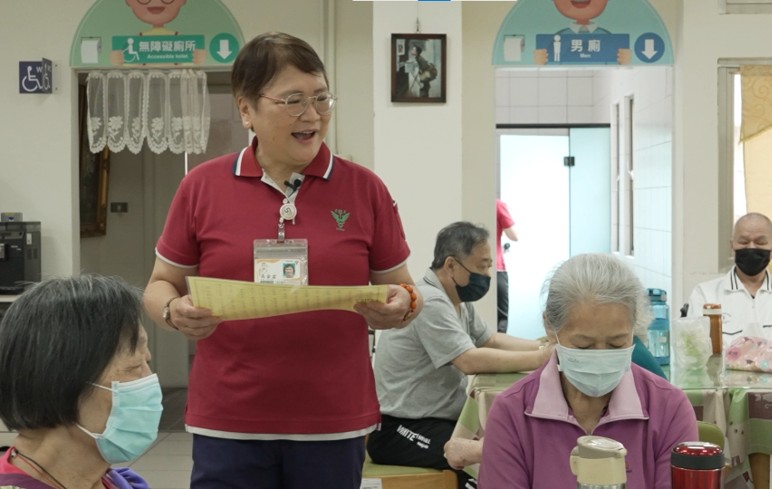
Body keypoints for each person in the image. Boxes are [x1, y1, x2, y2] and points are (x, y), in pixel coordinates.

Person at [141, 32, 422, 489]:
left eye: (321, 98)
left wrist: (402, 305)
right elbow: (158, 285)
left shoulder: (364, 188)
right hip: (229, 419)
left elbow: (406, 288)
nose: (312, 115)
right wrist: (174, 311)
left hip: (332, 419)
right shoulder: (201, 186)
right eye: (293, 101)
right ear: (246, 109)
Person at [478, 254, 698, 489]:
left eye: (616, 344)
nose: (601, 357)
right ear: (550, 328)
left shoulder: (668, 408)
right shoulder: (513, 413)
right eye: (584, 345)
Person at [367, 222, 550, 488]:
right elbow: (468, 360)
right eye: (482, 266)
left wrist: (543, 345)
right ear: (451, 265)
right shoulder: (430, 300)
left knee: (505, 444)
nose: (487, 275)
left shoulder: (455, 300)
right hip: (398, 430)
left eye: (489, 266)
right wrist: (543, 358)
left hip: (438, 422)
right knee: (478, 458)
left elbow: (490, 339)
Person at [0, 275, 159, 489]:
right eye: (134, 366)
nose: (149, 381)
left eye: (146, 362)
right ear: (58, 384)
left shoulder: (117, 481)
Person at [685, 212, 772, 349]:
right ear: (732, 246)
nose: (751, 247)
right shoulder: (705, 295)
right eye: (744, 242)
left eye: (760, 242)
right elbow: (693, 350)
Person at [496, 199, 518, 333]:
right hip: (497, 268)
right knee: (501, 317)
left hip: (474, 268)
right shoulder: (498, 205)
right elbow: (514, 236)